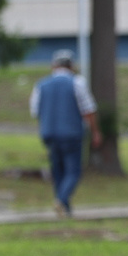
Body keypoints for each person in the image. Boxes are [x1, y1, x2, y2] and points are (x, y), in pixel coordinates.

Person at [29, 49, 103, 218]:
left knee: (58, 170)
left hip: (49, 133)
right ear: (71, 66)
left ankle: (65, 209)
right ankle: (61, 200)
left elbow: (35, 111)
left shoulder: (41, 84)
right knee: (73, 170)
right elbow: (88, 109)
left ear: (53, 66)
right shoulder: (77, 82)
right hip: (71, 133)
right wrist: (95, 132)